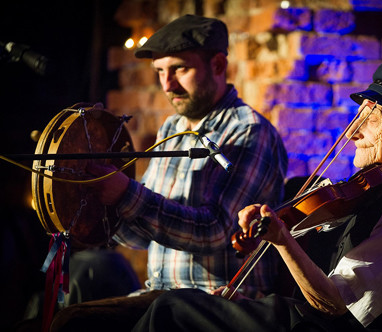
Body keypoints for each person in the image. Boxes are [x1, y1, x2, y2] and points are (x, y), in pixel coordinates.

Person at [131, 62, 382, 332]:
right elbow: (305, 252)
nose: (352, 131)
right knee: (183, 305)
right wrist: (271, 225)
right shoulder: (373, 192)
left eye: (369, 118)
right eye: (356, 116)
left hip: (317, 325)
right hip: (301, 317)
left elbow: (336, 306)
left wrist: (281, 239)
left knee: (172, 310)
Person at [49, 14, 288, 331]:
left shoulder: (249, 131)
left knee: (73, 324)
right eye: (160, 72)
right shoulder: (172, 127)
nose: (166, 84)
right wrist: (97, 203)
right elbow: (143, 236)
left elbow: (216, 230)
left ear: (218, 65)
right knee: (46, 313)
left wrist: (125, 193)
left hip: (215, 304)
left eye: (180, 69)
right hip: (161, 296)